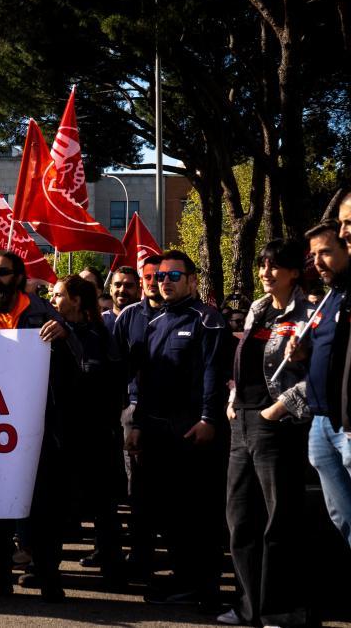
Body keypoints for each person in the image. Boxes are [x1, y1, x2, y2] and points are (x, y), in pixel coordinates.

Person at [0, 250, 80, 603]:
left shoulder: (44, 314)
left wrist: (64, 335)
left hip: (38, 427)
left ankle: (48, 575)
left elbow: (79, 361)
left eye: (3, 272)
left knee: (43, 505)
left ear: (20, 276)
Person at [126, 251, 229, 607]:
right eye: (159, 277)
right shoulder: (155, 322)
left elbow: (214, 375)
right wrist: (138, 425)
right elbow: (146, 380)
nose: (163, 282)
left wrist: (209, 419)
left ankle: (204, 586)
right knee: (169, 514)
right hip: (157, 434)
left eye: (173, 276)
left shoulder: (208, 320)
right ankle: (182, 579)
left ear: (192, 280)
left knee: (197, 514)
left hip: (192, 434)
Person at [219, 239, 312, 627]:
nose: (265, 273)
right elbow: (244, 363)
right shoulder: (257, 309)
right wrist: (234, 397)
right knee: (240, 518)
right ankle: (248, 606)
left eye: (274, 266)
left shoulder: (310, 313)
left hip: (277, 424)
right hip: (241, 422)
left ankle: (281, 609)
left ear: (294, 272)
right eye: (262, 265)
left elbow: (321, 373)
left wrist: (280, 408)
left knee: (279, 520)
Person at [49, 275, 127, 588]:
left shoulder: (99, 334)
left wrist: (68, 337)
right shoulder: (50, 331)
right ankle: (48, 569)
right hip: (59, 433)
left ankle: (113, 566)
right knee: (55, 504)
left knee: (102, 504)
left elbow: (93, 371)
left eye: (58, 295)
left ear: (77, 301)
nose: (54, 300)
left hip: (94, 434)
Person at [111, 254, 164, 576]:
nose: (157, 283)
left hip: (173, 415)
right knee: (138, 488)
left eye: (165, 277)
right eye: (150, 277)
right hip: (133, 410)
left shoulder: (190, 316)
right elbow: (116, 366)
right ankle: (140, 554)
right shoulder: (129, 317)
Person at [303, 221, 351, 545]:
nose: (317, 262)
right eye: (313, 255)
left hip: (346, 422)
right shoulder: (328, 297)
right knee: (342, 516)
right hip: (320, 421)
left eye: (325, 253)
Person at [103, 265, 141, 334]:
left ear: (139, 291)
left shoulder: (146, 322)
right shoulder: (99, 322)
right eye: (117, 285)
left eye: (128, 286)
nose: (122, 290)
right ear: (111, 290)